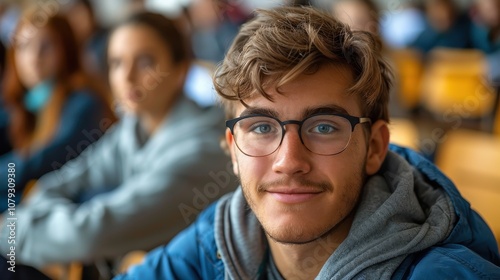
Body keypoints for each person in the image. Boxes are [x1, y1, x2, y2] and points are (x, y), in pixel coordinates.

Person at [116, 6, 500, 279]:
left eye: (324, 127)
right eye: (262, 127)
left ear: (375, 147)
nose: (289, 161)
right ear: (233, 148)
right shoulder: (218, 240)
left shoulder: (437, 273)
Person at [0, 11, 236, 279]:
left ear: (180, 71)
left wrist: (9, 230)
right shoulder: (132, 128)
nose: (127, 76)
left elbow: (91, 235)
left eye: (145, 62)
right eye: (116, 63)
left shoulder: (204, 150)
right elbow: (63, 181)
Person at [0, 10, 114, 212]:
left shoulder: (84, 102)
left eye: (46, 46)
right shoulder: (25, 104)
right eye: (24, 47)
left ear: (66, 50)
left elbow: (36, 165)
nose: (34, 58)